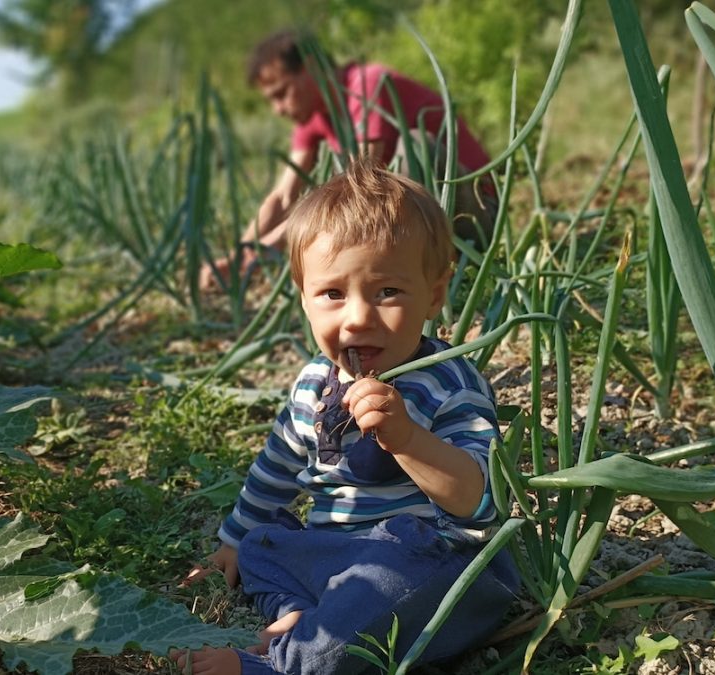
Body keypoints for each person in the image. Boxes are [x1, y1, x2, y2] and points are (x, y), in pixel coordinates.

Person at [175, 158, 517, 674]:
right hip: (341, 553)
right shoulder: (315, 381)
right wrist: (233, 539)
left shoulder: (450, 383)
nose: (358, 316)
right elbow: (277, 464)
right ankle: (301, 615)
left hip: (429, 564)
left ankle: (284, 662)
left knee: (379, 592)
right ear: (305, 302)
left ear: (435, 295)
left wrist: (404, 437)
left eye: (387, 292)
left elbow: (480, 501)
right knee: (262, 545)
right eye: (333, 294)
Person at [199, 29, 498, 292]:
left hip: (476, 214)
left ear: (313, 68)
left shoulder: (368, 85)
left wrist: (262, 251)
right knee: (338, 183)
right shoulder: (314, 116)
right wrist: (241, 256)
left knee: (411, 152)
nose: (278, 109)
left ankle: (431, 273)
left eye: (282, 93)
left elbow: (355, 185)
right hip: (422, 220)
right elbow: (282, 195)